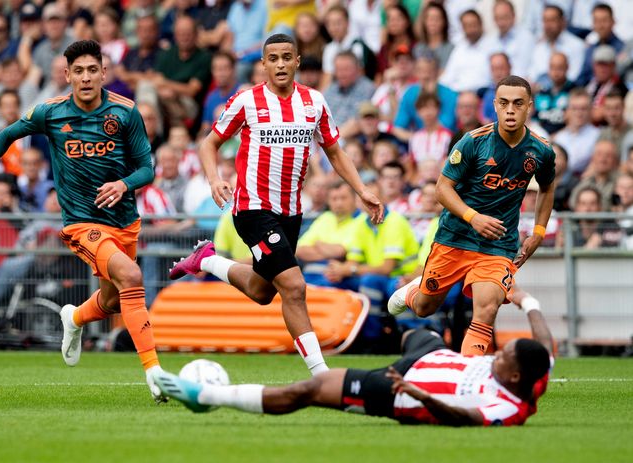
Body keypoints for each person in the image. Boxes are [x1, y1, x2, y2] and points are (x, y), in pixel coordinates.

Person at [0, 40, 167, 403]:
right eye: (78, 71)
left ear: (104, 73)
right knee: (131, 276)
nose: (86, 78)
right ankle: (156, 374)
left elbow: (147, 169)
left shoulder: (126, 112)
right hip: (81, 222)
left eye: (92, 70)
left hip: (124, 222)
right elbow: (6, 134)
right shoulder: (50, 112)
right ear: (67, 75)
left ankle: (75, 318)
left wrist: (123, 184)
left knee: (113, 300)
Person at [169, 34, 383, 376]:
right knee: (294, 287)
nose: (280, 64)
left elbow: (334, 151)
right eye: (273, 58)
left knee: (262, 291)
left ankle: (206, 260)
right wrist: (214, 179)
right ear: (264, 64)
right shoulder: (246, 101)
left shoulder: (314, 102)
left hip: (291, 213)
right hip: (253, 209)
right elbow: (209, 144)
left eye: (286, 57)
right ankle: (321, 375)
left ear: (297, 61)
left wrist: (362, 189)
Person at [151, 293, 554, 427]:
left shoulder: (507, 409)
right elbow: (546, 342)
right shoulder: (537, 371)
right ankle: (405, 298)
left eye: (503, 357)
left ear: (515, 377)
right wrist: (528, 302)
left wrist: (421, 396)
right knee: (414, 328)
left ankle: (205, 396)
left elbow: (463, 419)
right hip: (432, 356)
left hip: (398, 390)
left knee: (310, 390)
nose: (496, 354)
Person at [387, 76, 556, 357]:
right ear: (495, 105)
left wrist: (538, 232)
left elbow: (547, 188)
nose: (510, 110)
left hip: (498, 245)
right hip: (455, 237)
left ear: (529, 107)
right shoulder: (473, 142)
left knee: (486, 310)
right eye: (504, 103)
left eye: (518, 103)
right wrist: (473, 217)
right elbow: (442, 189)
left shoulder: (541, 150)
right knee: (425, 307)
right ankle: (412, 292)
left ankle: (468, 375)